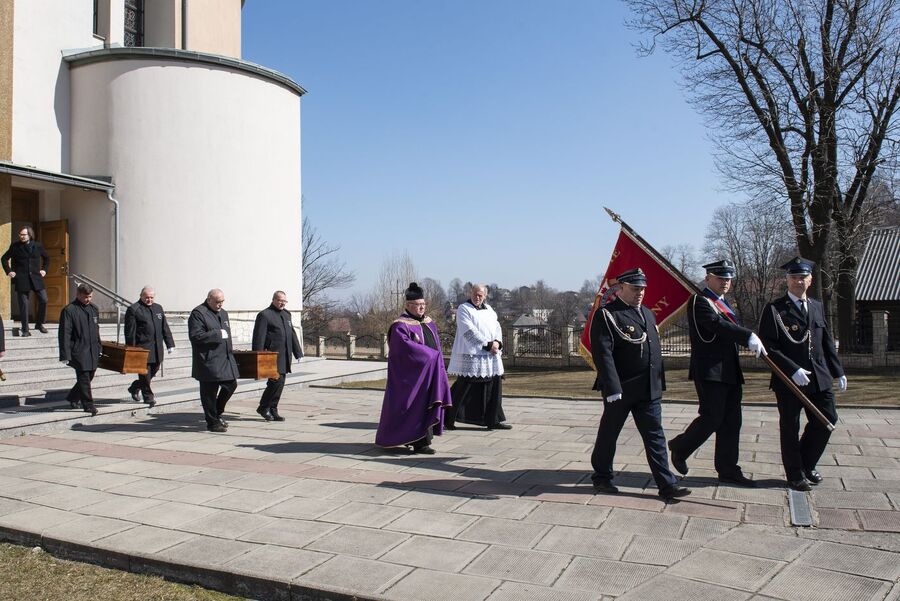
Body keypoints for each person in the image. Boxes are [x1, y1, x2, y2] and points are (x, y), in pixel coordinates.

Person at [589, 268, 690, 500]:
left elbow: (653, 353)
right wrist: (612, 387)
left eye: (643, 289)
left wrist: (657, 383)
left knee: (655, 436)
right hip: (621, 389)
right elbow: (603, 353)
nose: (640, 293)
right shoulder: (607, 315)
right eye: (635, 289)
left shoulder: (647, 313)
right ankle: (602, 476)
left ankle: (667, 485)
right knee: (609, 434)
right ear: (621, 287)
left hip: (648, 389)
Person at [667, 260, 766, 487]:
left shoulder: (723, 302)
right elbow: (715, 325)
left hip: (730, 370)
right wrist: (747, 335)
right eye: (721, 278)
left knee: (732, 422)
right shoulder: (699, 301)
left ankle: (728, 469)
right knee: (712, 417)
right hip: (710, 370)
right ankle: (680, 447)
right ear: (708, 278)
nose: (725, 283)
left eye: (729, 278)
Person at [758, 257, 846, 491]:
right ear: (786, 280)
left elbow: (826, 340)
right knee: (790, 426)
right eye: (794, 277)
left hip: (818, 376)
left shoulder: (816, 306)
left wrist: (838, 371)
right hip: (788, 379)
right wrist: (792, 369)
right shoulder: (775, 309)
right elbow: (768, 346)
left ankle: (807, 463)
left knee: (827, 419)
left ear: (810, 279)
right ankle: (795, 474)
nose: (799, 281)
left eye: (803, 277)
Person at [375, 282, 452, 454]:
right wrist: (429, 356)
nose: (422, 308)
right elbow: (404, 350)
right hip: (412, 377)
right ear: (408, 306)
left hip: (430, 373)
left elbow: (436, 345)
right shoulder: (400, 325)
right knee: (414, 407)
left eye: (423, 305)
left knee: (428, 405)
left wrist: (437, 363)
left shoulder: (429, 322)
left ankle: (424, 440)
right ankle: (418, 443)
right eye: (418, 305)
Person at [446, 284, 510, 430]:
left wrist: (497, 343)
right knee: (464, 386)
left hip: (491, 355)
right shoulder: (464, 308)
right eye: (475, 294)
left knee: (494, 386)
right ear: (470, 293)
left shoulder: (490, 310)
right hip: (473, 353)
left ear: (485, 296)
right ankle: (448, 418)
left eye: (481, 295)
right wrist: (487, 344)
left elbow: (497, 327)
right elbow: (467, 330)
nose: (477, 297)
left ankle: (493, 419)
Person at [189, 289, 239, 433]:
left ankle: (216, 413)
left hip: (224, 358)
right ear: (209, 299)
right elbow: (196, 336)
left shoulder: (223, 313)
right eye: (217, 302)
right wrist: (216, 334)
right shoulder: (198, 313)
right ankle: (212, 422)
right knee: (209, 392)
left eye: (222, 301)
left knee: (231, 384)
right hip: (208, 359)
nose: (220, 305)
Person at [251, 290, 303, 421]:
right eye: (280, 301)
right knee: (275, 382)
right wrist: (258, 355)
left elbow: (292, 334)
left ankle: (273, 409)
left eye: (284, 301)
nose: (282, 303)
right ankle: (263, 407)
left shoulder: (286, 315)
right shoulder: (265, 315)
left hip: (285, 355)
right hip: (270, 355)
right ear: (273, 300)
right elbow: (259, 337)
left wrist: (298, 353)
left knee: (280, 384)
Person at [124, 286, 175, 407]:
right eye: (146, 297)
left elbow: (164, 327)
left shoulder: (158, 308)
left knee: (154, 369)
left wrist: (170, 344)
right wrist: (132, 349)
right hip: (142, 348)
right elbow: (130, 332)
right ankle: (148, 397)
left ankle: (135, 386)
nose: (149, 300)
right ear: (141, 296)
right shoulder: (134, 309)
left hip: (157, 348)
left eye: (151, 297)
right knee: (145, 373)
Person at [58, 283, 101, 416]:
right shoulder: (69, 310)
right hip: (78, 350)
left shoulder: (94, 309)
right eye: (85, 297)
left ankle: (72, 397)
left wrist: (99, 346)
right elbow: (64, 333)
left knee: (90, 375)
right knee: (84, 377)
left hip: (92, 349)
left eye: (90, 296)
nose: (88, 299)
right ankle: (88, 405)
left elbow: (96, 329)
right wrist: (65, 354)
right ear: (78, 295)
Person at [2, 226, 50, 336]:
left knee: (44, 299)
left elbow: (47, 258)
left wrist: (44, 270)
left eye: (24, 234)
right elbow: (4, 258)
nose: (21, 236)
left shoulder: (38, 245)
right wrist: (9, 271)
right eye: (20, 234)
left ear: (30, 235)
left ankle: (39, 324)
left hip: (36, 278)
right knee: (23, 304)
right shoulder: (15, 246)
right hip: (22, 278)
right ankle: (25, 329)